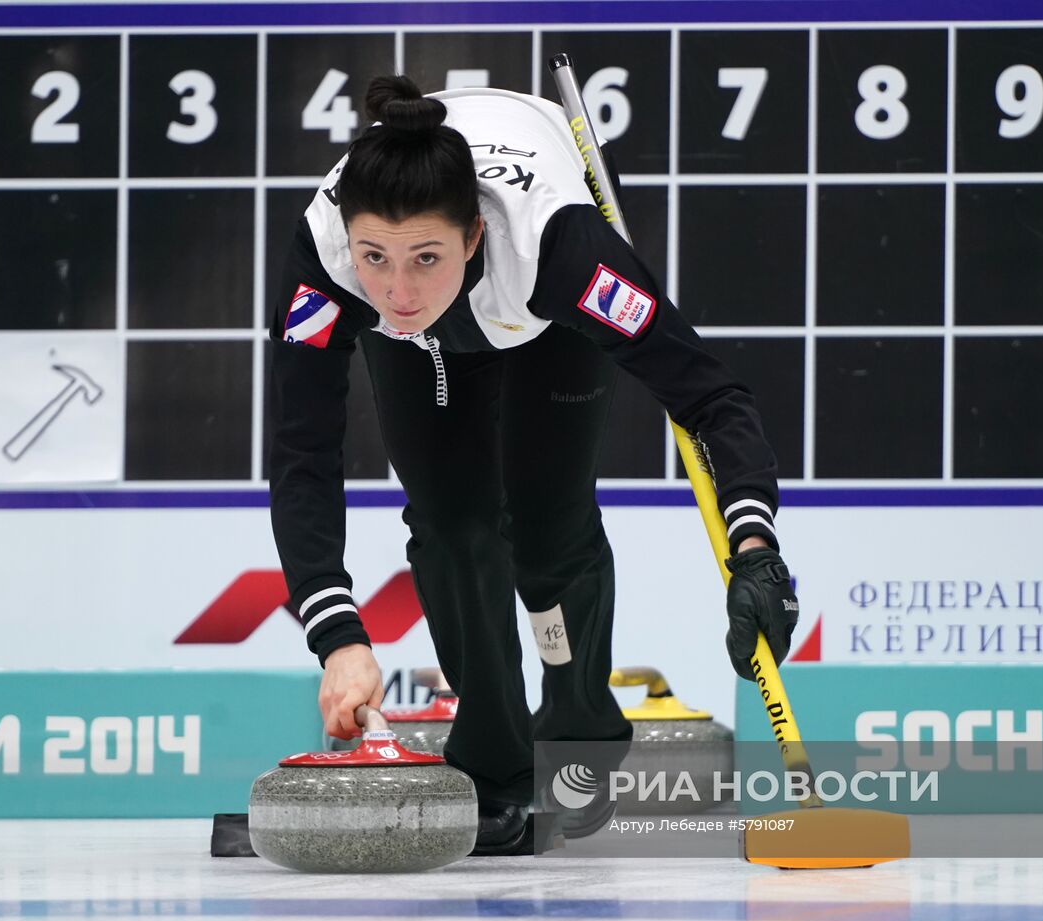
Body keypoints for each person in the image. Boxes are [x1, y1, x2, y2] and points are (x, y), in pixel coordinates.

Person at [268, 75, 798, 854]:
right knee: (452, 522)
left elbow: (708, 394)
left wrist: (755, 545)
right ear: (350, 238)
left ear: (473, 234)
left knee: (548, 524)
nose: (399, 288)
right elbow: (302, 450)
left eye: (425, 257)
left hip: (539, 320)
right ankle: (493, 763)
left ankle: (582, 726)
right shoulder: (326, 259)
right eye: (375, 255)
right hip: (424, 357)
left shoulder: (560, 249)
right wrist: (338, 635)